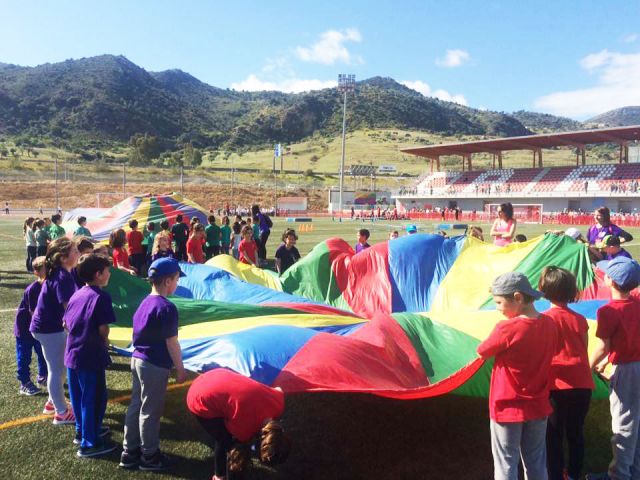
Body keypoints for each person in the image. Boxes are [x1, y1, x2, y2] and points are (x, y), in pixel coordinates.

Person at [477, 272, 559, 480]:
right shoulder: (550, 324)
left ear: (518, 298)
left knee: (506, 463)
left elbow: (482, 350)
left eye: (498, 302)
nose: (497, 308)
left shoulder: (507, 328)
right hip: (538, 404)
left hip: (508, 407)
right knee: (536, 462)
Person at [120, 257, 186, 471]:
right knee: (151, 410)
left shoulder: (145, 301)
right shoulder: (167, 307)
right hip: (154, 364)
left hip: (138, 359)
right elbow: (172, 342)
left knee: (136, 406)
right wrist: (180, 368)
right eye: (176, 279)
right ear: (168, 281)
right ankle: (149, 455)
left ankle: (130, 451)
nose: (177, 283)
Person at [538, 267, 594, 480]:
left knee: (553, 435)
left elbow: (542, 354)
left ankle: (555, 474)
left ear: (543, 289)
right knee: (576, 433)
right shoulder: (579, 319)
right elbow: (584, 348)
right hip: (582, 384)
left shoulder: (544, 320)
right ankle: (573, 474)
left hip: (556, 386)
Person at [186, 369, 291, 480]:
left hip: (215, 375)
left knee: (225, 438)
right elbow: (236, 452)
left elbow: (278, 389)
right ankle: (220, 477)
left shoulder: (278, 403)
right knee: (230, 447)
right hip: (199, 397)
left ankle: (219, 474)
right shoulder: (244, 430)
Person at [588, 257, 640, 480]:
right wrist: (607, 361)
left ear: (609, 280)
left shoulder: (609, 311)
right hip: (635, 364)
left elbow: (604, 346)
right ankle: (633, 471)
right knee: (636, 421)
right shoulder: (637, 303)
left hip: (627, 371)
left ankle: (619, 475)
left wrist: (588, 366)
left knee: (624, 424)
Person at [63, 254, 117, 457]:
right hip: (90, 355)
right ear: (98, 274)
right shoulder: (101, 297)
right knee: (93, 399)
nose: (109, 273)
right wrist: (105, 341)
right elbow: (103, 329)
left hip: (73, 354)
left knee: (79, 398)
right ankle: (89, 443)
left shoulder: (78, 294)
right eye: (107, 270)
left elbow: (65, 323)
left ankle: (83, 430)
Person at [30, 237, 80, 424]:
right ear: (63, 257)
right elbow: (69, 308)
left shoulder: (64, 272)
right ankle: (61, 412)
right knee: (57, 369)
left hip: (47, 327)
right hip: (49, 329)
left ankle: (52, 402)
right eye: (75, 251)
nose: (78, 254)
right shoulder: (62, 276)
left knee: (57, 368)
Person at [14, 256, 48, 396]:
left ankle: (43, 376)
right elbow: (34, 312)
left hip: (37, 328)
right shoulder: (33, 289)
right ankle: (24, 382)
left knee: (42, 353)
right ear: (36, 272)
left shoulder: (48, 285)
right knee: (24, 356)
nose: (49, 272)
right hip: (25, 329)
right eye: (46, 269)